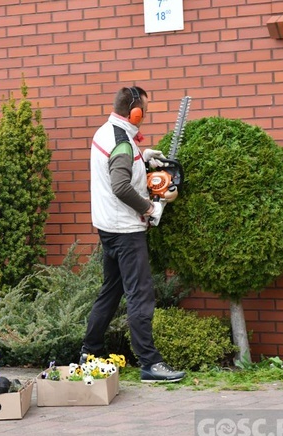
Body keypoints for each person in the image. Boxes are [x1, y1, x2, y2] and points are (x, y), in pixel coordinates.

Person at [82, 86, 185, 383]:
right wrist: (151, 209)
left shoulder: (109, 132)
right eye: (145, 111)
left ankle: (90, 352)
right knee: (140, 296)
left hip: (109, 229)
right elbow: (121, 186)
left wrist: (143, 156)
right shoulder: (122, 143)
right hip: (126, 231)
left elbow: (120, 160)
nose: (145, 116)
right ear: (135, 112)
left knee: (111, 291)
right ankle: (150, 364)